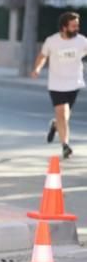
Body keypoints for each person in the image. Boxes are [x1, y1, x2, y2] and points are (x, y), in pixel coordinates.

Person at [31, 11, 87, 159]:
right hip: (56, 84)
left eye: (77, 26)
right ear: (64, 27)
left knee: (65, 116)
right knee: (62, 113)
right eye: (73, 26)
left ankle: (55, 125)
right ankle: (65, 145)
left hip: (74, 83)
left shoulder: (82, 41)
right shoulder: (52, 41)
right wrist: (37, 68)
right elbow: (43, 56)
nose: (76, 29)